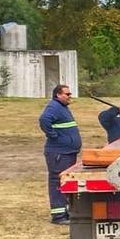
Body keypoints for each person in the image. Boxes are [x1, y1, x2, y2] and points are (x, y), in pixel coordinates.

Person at [38, 84, 81, 225]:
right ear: (58, 95)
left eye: (70, 94)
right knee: (57, 182)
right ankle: (58, 216)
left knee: (66, 182)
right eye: (67, 94)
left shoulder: (62, 108)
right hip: (59, 153)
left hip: (67, 151)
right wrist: (53, 135)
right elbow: (44, 120)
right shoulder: (54, 107)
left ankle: (66, 211)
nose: (70, 96)